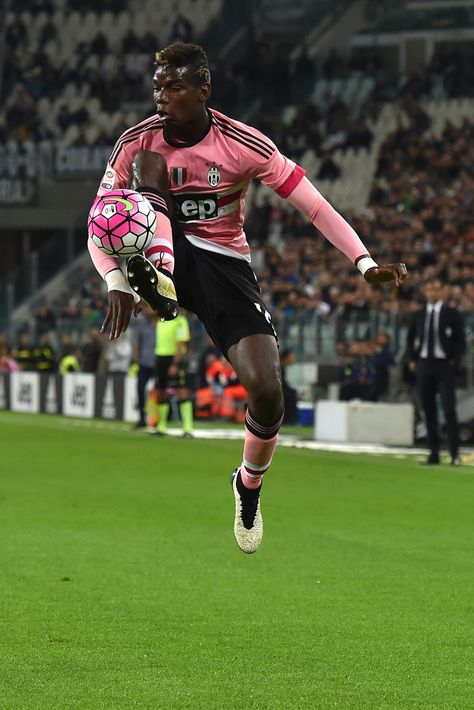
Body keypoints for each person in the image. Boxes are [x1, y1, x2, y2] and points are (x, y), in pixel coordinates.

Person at [88, 42, 408, 554]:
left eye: (174, 86)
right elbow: (99, 225)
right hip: (161, 249)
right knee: (148, 169)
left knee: (266, 390)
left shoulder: (242, 143)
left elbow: (315, 206)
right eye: (158, 86)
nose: (161, 96)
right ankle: (161, 275)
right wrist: (116, 282)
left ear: (203, 89)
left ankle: (248, 485)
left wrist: (364, 261)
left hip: (224, 266)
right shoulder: (136, 142)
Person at [406, 278, 465, 466]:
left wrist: (453, 362)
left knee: (449, 410)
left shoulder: (452, 315)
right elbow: (411, 339)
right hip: (424, 365)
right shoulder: (418, 314)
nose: (432, 293)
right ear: (425, 292)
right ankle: (434, 454)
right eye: (429, 290)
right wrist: (412, 360)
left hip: (444, 365)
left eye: (436, 289)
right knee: (428, 410)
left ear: (442, 292)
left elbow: (460, 342)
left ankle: (455, 454)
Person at [149, 310, 193, 438]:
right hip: (160, 357)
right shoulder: (160, 319)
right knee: (161, 391)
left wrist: (176, 363)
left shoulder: (180, 321)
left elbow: (181, 342)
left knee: (181, 391)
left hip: (174, 357)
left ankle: (188, 428)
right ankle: (161, 426)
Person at [133, 306, 157, 429]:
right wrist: (138, 360)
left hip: (158, 362)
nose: (147, 311)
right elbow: (137, 345)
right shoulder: (142, 325)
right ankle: (142, 418)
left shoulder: (163, 324)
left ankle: (154, 418)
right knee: (141, 390)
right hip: (144, 363)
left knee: (156, 392)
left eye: (149, 308)